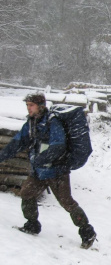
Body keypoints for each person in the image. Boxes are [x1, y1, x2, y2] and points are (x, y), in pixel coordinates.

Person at [0, 92, 97, 249]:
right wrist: (2, 156)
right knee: (27, 192)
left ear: (41, 106)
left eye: (31, 105)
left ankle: (87, 232)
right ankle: (32, 225)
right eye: (27, 105)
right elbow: (17, 142)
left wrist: (40, 159)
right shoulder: (31, 123)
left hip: (56, 171)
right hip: (39, 172)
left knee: (67, 203)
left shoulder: (53, 122)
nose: (28, 108)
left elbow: (58, 146)